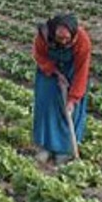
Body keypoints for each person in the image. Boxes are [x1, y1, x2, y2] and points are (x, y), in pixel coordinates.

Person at [32, 13, 91, 165]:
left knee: (69, 112)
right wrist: (56, 73)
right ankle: (45, 147)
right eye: (60, 38)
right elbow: (39, 56)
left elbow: (82, 71)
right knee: (47, 106)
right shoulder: (44, 36)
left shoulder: (82, 40)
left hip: (73, 71)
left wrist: (73, 99)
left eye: (67, 38)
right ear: (53, 33)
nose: (63, 41)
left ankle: (64, 150)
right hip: (49, 70)